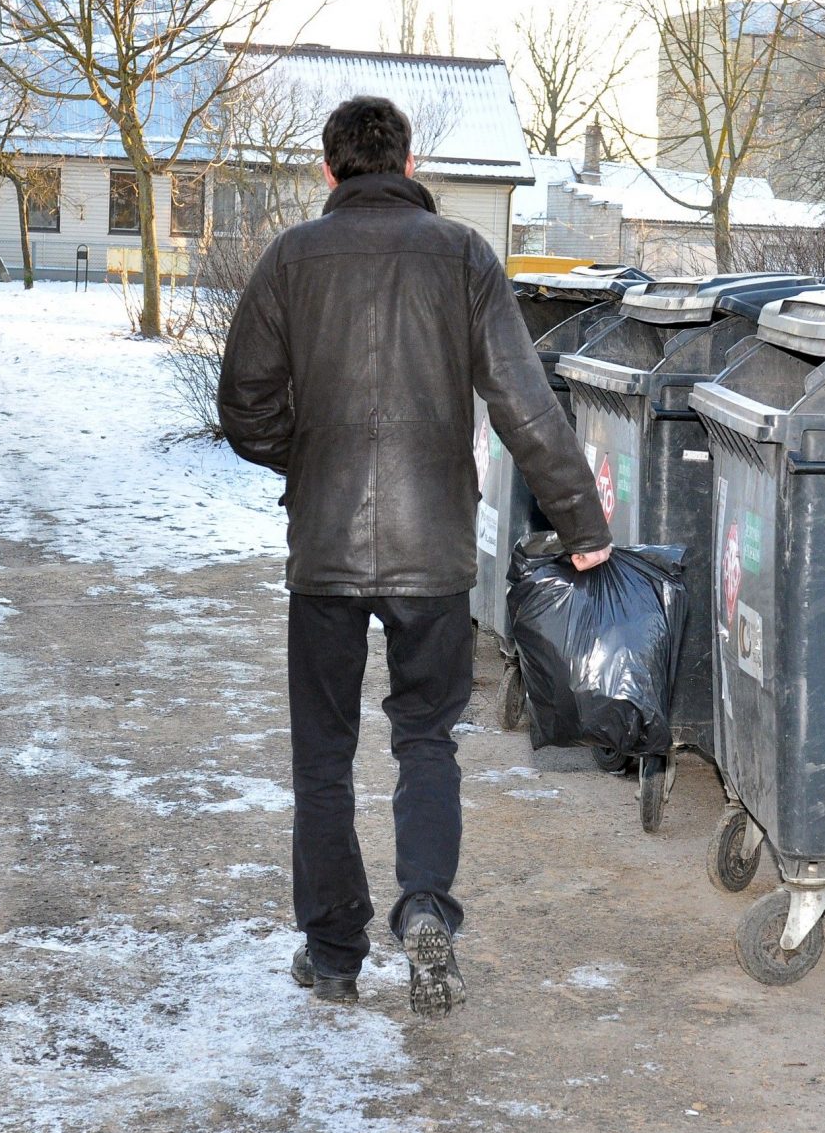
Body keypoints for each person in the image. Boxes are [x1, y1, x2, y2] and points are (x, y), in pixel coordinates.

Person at [218, 96, 611, 1016]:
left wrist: (307, 454)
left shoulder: (289, 260)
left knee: (323, 757)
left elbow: (243, 404)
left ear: (329, 169)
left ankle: (334, 951)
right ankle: (427, 903)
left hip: (323, 550)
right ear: (409, 158)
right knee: (427, 740)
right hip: (433, 549)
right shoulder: (465, 257)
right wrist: (583, 524)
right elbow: (524, 403)